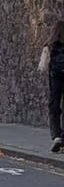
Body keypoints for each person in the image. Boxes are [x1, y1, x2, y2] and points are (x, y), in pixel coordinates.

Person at [39, 21, 64, 153]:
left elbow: (43, 66)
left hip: (55, 81)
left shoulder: (49, 46)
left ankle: (56, 136)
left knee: (54, 108)